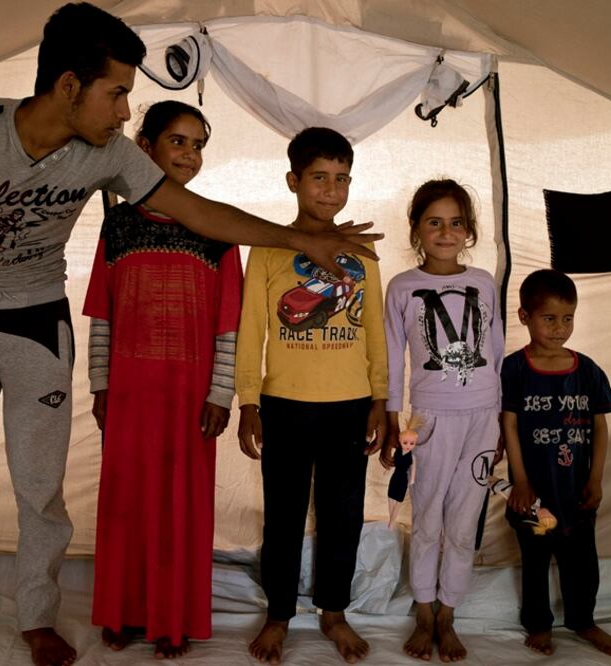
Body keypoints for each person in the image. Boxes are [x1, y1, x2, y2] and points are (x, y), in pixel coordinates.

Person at [0, 3, 380, 665]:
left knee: (41, 488)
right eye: (117, 92)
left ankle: (38, 618)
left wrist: (303, 237)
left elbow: (198, 212)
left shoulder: (110, 155)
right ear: (70, 87)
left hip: (38, 328)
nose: (126, 111)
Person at [83, 100, 242, 658]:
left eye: (198, 144)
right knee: (127, 503)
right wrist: (100, 386)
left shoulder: (218, 227)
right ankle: (124, 612)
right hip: (129, 395)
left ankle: (173, 621)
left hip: (190, 398)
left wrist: (221, 393)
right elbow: (102, 314)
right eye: (178, 141)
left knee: (182, 508)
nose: (190, 154)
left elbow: (230, 325)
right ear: (144, 147)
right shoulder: (118, 223)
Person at [234, 127, 388, 665]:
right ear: (293, 181)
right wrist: (248, 400)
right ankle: (279, 614)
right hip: (285, 406)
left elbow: (374, 330)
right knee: (284, 513)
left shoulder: (362, 254)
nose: (331, 190)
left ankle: (333, 612)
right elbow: (252, 327)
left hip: (349, 404)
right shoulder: (269, 250)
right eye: (319, 178)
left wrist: (380, 398)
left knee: (342, 514)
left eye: (341, 178)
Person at [379, 178, 503, 662]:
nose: (446, 232)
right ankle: (423, 609)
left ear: (468, 230)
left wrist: (499, 423)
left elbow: (493, 354)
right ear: (416, 230)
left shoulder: (484, 282)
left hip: (481, 417)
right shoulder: (403, 287)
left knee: (464, 519)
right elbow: (393, 359)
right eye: (434, 222)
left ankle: (449, 612)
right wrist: (393, 418)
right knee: (427, 515)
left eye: (455, 223)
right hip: (428, 421)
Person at [500, 269, 611, 657]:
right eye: (548, 318)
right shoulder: (515, 369)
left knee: (582, 561)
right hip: (534, 496)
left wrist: (596, 478)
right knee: (535, 561)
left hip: (575, 492)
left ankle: (583, 620)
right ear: (524, 317)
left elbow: (599, 426)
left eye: (567, 318)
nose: (559, 328)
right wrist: (520, 481)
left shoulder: (586, 370)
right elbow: (509, 424)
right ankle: (538, 625)